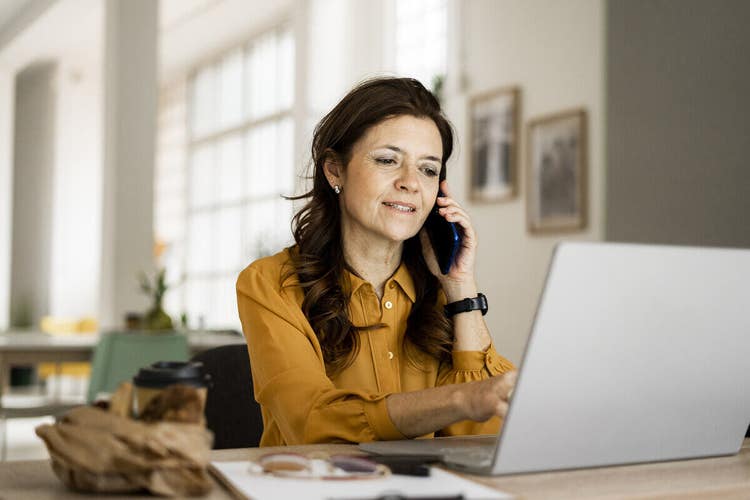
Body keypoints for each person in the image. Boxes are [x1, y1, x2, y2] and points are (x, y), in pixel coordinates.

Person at [237, 77, 517, 446]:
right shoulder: (269, 283)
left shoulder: (440, 294)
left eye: (428, 169)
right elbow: (313, 423)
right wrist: (461, 400)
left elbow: (486, 432)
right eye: (388, 160)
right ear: (334, 169)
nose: (411, 183)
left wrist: (460, 285)